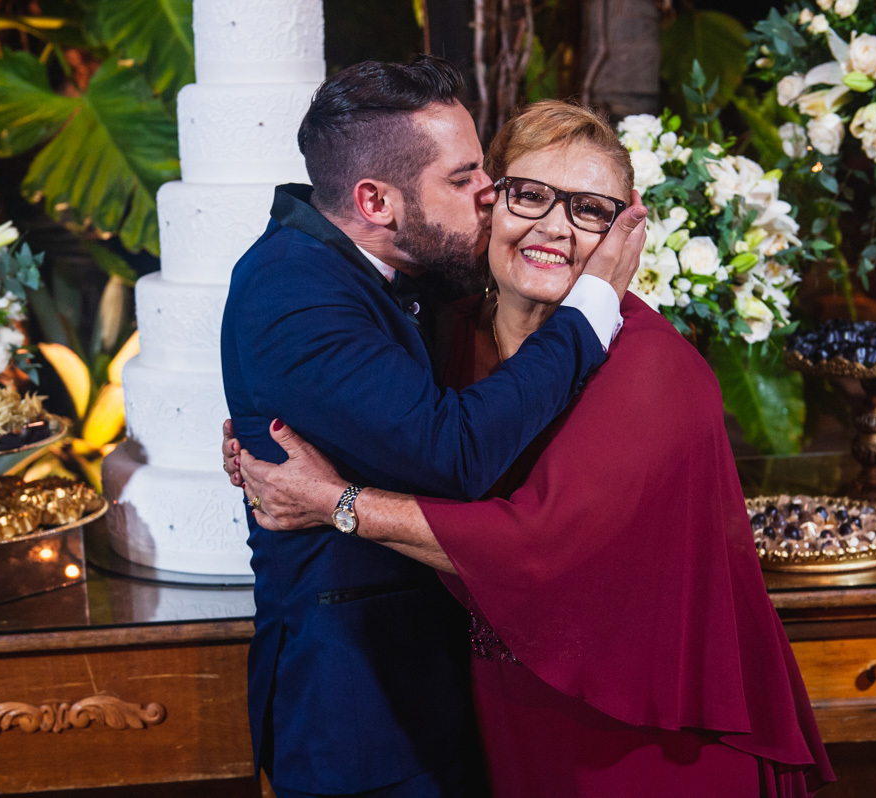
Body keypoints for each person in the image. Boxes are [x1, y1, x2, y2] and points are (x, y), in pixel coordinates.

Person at [229, 101, 835, 796]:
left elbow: (537, 548)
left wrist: (334, 502)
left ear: (623, 231)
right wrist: (262, 450)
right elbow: (388, 425)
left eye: (589, 210)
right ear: (489, 204)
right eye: (531, 195)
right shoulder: (450, 336)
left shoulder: (653, 371)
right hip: (505, 722)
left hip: (639, 739)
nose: (554, 226)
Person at [219, 59, 647, 798]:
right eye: (462, 177)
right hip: (361, 716)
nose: (489, 191)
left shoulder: (375, 259)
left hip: (435, 682)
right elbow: (455, 455)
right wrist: (595, 304)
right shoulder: (295, 298)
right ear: (374, 200)